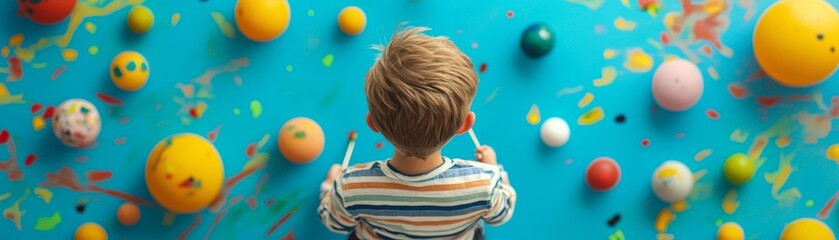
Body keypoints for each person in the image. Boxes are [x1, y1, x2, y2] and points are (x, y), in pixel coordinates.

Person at [318, 25, 516, 240]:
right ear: (465, 124)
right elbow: (501, 215)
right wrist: (494, 168)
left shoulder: (351, 185)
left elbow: (335, 223)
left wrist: (330, 186)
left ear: (373, 123)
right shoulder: (484, 182)